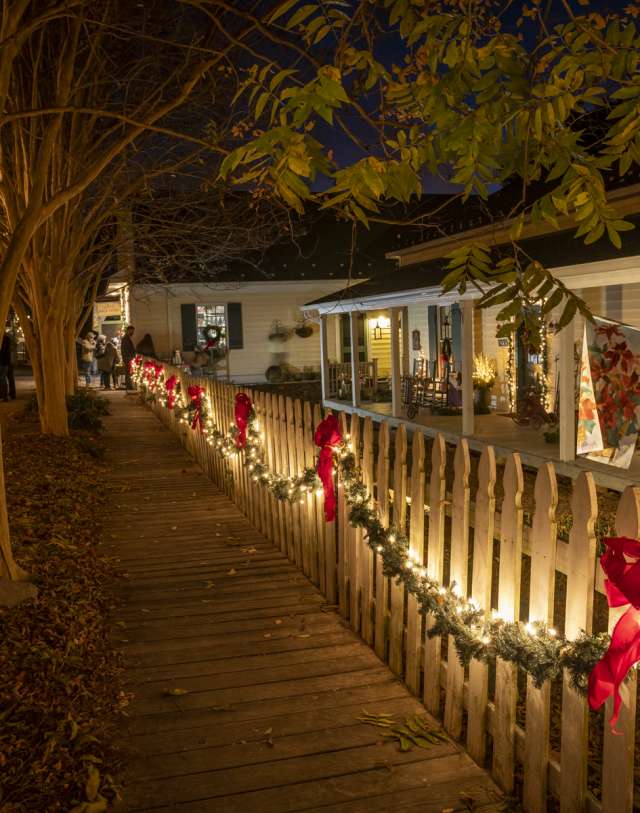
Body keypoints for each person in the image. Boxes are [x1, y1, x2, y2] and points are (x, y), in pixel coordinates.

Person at [0, 331, 15, 402]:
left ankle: (4, 396)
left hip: (3, 361)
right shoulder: (8, 337)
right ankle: (12, 394)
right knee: (9, 378)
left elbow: (3, 351)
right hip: (8, 360)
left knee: (2, 378)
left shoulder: (3, 338)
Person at [121, 325, 136, 391]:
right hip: (128, 358)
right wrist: (131, 357)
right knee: (128, 373)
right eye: (132, 331)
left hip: (127, 358)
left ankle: (129, 386)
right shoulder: (126, 339)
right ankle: (129, 386)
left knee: (128, 372)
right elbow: (127, 349)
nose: (133, 333)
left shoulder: (126, 338)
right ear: (128, 330)